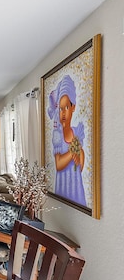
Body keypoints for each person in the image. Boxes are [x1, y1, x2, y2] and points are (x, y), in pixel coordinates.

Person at [46, 75, 86, 206]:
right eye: (61, 109)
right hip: (63, 186)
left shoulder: (77, 132)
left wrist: (79, 156)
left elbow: (80, 159)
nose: (63, 113)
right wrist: (72, 152)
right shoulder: (57, 135)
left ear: (73, 107)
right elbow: (58, 164)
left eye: (66, 108)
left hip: (77, 188)